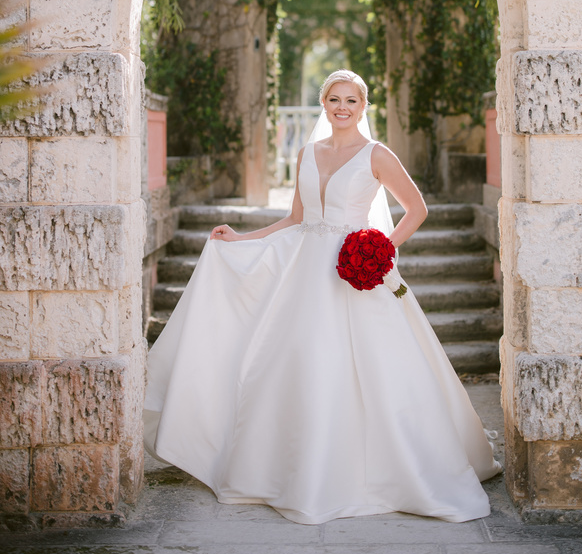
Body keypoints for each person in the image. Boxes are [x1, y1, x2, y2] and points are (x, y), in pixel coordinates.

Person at [144, 69, 501, 524]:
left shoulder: (377, 154)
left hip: (356, 273)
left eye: (352, 101)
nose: (342, 108)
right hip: (307, 270)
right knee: (299, 360)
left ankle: (391, 468)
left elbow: (417, 210)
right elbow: (296, 217)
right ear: (324, 103)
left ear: (363, 107)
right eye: (335, 99)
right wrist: (242, 238)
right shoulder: (307, 153)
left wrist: (380, 250)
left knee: (375, 367)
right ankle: (289, 470)